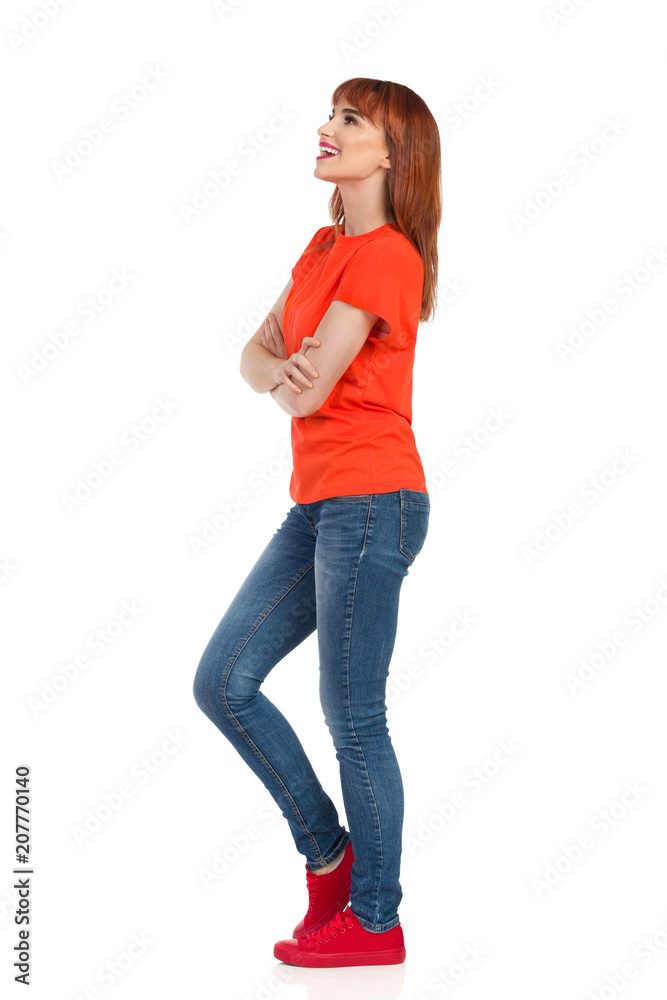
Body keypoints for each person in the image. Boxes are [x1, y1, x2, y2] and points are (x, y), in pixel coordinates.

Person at [193, 77, 441, 969]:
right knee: (223, 679)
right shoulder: (319, 247)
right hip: (319, 503)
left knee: (353, 716)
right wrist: (280, 371)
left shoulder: (388, 256)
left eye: (349, 121)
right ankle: (329, 855)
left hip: (375, 500)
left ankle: (376, 921)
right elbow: (256, 360)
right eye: (331, 116)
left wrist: (287, 371)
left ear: (390, 154)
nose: (326, 130)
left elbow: (313, 382)